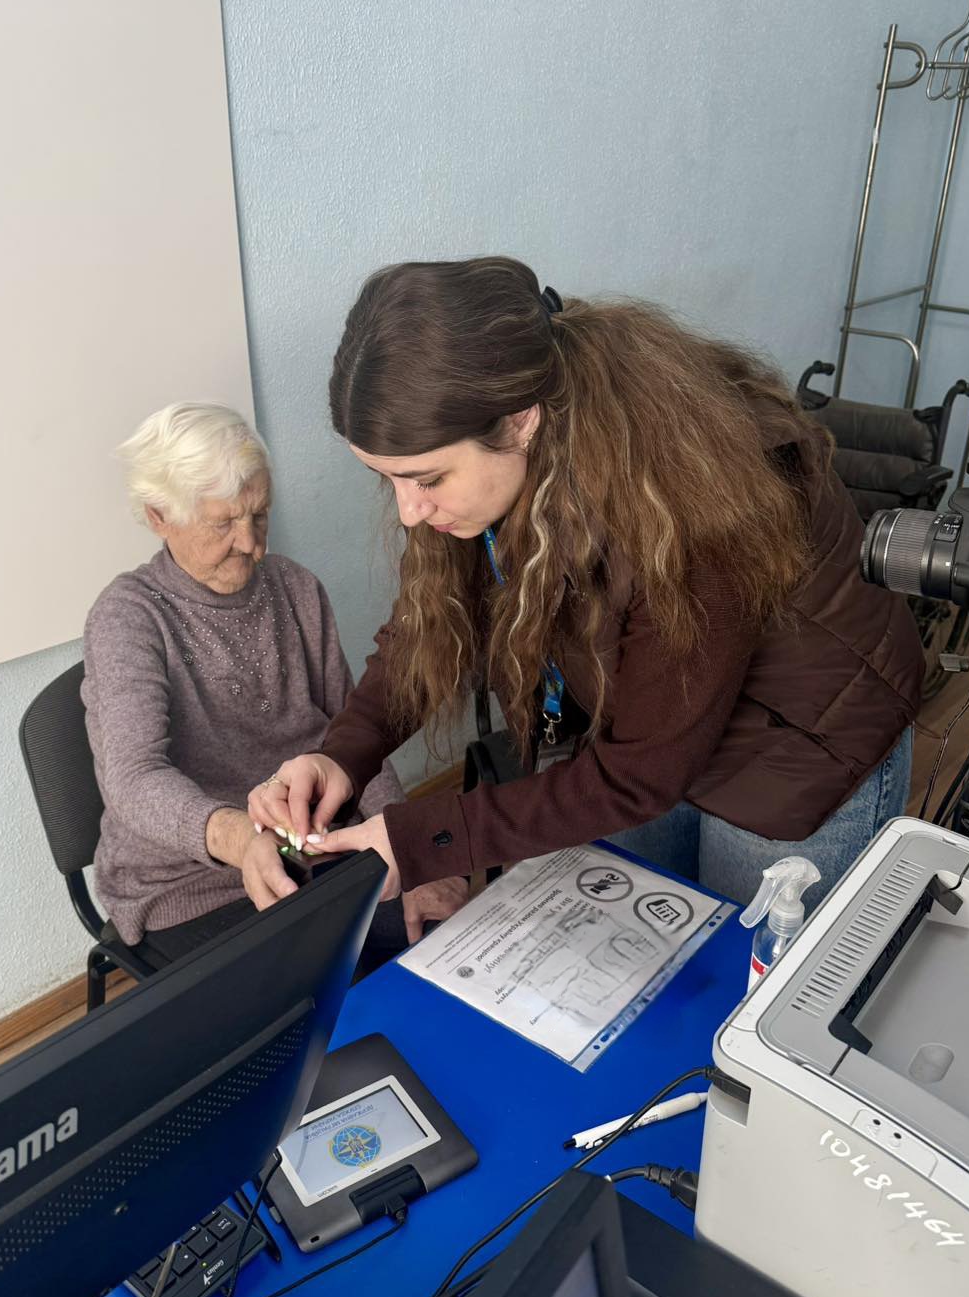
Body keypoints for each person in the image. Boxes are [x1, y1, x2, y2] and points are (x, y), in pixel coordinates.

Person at [249, 257, 924, 913]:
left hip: (793, 749)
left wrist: (428, 840)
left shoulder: (690, 505)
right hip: (648, 725)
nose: (409, 512)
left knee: (749, 971)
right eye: (388, 479)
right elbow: (430, 628)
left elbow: (642, 775)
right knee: (633, 941)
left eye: (427, 479)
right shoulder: (493, 461)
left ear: (520, 419)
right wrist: (343, 757)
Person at [81, 401, 468, 969]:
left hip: (316, 850)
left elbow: (357, 736)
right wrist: (242, 839)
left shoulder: (295, 588)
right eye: (223, 523)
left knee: (445, 930)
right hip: (191, 887)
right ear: (159, 516)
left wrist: (406, 850)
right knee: (322, 981)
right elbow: (133, 781)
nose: (252, 544)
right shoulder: (128, 616)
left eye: (259, 515)